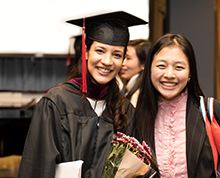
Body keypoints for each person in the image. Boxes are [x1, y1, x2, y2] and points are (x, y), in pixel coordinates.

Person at [17, 11, 147, 178]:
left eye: (117, 55)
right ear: (86, 52)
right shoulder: (56, 103)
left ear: (122, 60)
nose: (107, 61)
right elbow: (38, 169)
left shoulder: (126, 110)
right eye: (100, 51)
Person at [134, 33, 220, 178]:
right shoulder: (136, 116)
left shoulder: (210, 111)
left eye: (179, 67)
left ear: (190, 73)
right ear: (149, 69)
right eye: (161, 66)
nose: (169, 74)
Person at [120, 39, 151, 107]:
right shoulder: (131, 88)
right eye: (122, 57)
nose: (122, 63)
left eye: (128, 58)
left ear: (144, 64)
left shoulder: (140, 94)